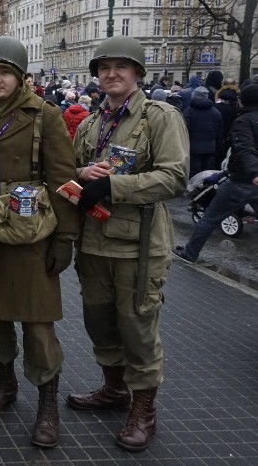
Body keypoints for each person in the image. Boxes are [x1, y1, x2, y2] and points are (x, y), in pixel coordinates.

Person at [0, 36, 79, 448]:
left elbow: (63, 179)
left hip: (31, 233)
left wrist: (66, 235)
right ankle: (5, 383)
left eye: (4, 72)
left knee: (38, 325)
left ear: (20, 76)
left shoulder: (45, 115)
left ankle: (47, 403)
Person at [68, 36, 188, 452]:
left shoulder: (160, 117)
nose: (111, 74)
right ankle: (113, 390)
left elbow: (174, 177)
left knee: (137, 327)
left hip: (138, 247)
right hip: (94, 243)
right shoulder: (90, 122)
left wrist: (112, 186)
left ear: (137, 72)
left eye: (121, 67)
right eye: (104, 68)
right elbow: (74, 165)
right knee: (99, 323)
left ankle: (144, 410)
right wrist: (84, 174)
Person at [174, 81, 258, 263]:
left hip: (241, 179)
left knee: (210, 217)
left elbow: (245, 148)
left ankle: (190, 253)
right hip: (250, 179)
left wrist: (253, 172)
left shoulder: (244, 121)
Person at [183, 86, 223, 177]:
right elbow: (219, 133)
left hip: (193, 148)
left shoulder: (188, 112)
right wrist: (217, 149)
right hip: (210, 148)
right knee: (207, 174)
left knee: (193, 174)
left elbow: (184, 131)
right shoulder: (216, 112)